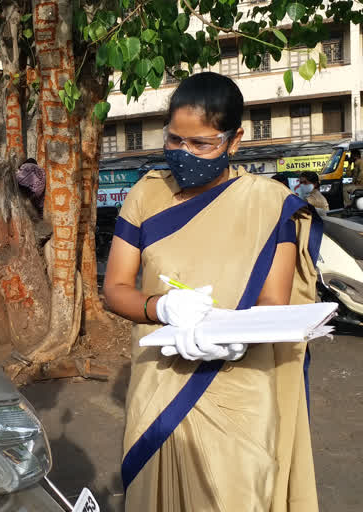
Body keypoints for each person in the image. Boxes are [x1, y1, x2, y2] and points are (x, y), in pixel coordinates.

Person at [102, 72, 321, 511]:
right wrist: (160, 307)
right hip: (159, 384)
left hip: (241, 387)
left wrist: (232, 339)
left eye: (201, 144)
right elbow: (115, 289)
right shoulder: (145, 196)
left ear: (235, 140)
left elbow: (272, 305)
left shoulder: (268, 203)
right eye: (175, 140)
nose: (184, 154)